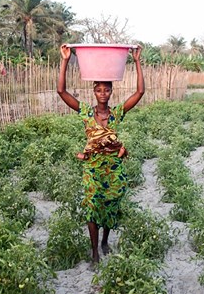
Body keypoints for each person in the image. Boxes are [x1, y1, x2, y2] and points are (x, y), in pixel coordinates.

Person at [57, 43, 145, 263]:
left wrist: (137, 60)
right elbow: (61, 91)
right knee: (92, 207)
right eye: (98, 90)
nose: (103, 94)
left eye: (107, 89)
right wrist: (66, 60)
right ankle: (95, 250)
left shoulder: (116, 114)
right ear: (93, 91)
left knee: (111, 204)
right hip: (93, 168)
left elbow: (140, 92)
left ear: (111, 91)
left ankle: (105, 240)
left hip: (114, 168)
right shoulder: (86, 112)